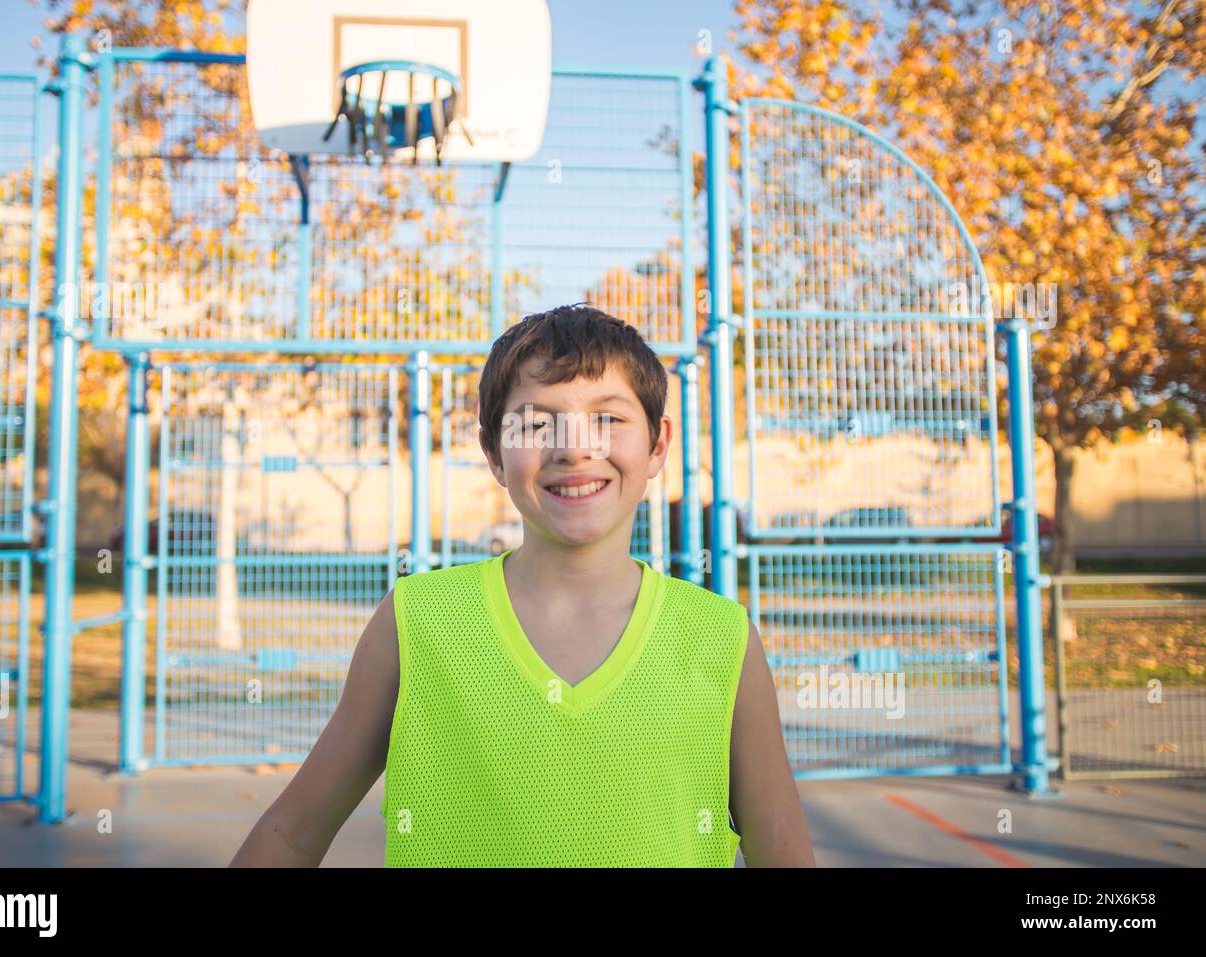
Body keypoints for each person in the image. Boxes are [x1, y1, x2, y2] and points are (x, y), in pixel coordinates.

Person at [230, 303, 814, 867]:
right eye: (536, 423)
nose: (573, 447)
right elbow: (295, 830)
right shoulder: (418, 621)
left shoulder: (720, 638)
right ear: (493, 452)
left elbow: (781, 846)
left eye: (608, 418)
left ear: (658, 444)